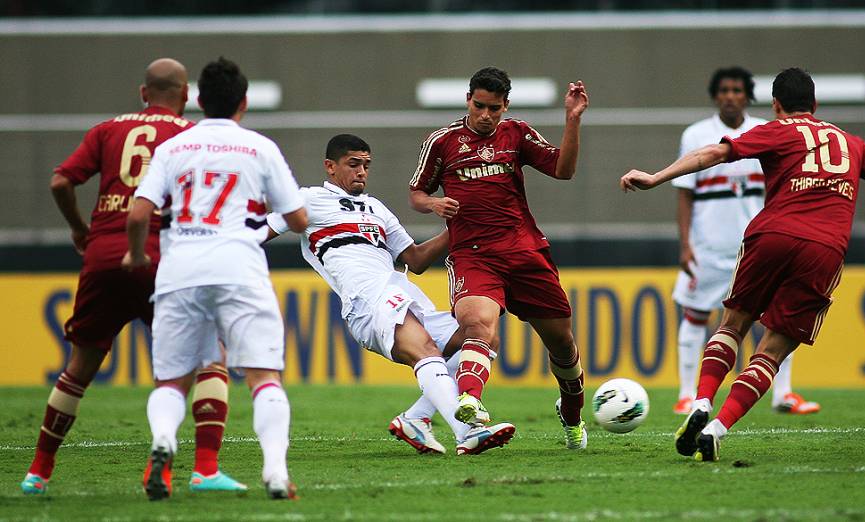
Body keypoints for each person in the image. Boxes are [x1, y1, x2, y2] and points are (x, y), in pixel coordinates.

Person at [620, 67, 865, 462]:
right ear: (816, 105)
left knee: (732, 325)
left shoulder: (779, 130)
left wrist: (657, 177)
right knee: (771, 353)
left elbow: (715, 153)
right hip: (824, 249)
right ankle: (718, 429)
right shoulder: (850, 142)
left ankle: (702, 402)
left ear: (776, 106)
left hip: (771, 235)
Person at [21, 58, 243, 496]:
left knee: (78, 369)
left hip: (103, 256)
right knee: (207, 358)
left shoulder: (106, 130)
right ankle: (203, 468)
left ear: (144, 94)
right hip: (164, 257)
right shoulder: (189, 137)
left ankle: (38, 473)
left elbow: (60, 182)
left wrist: (80, 229)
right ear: (186, 97)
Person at [122, 57, 309, 499]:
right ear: (244, 102)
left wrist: (134, 255)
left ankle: (165, 440)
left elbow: (139, 212)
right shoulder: (260, 148)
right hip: (238, 268)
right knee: (265, 378)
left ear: (199, 101)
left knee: (171, 382)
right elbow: (298, 218)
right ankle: (276, 472)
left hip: (179, 270)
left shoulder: (173, 148)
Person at [266, 134, 515, 456]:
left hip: (400, 293)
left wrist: (458, 227)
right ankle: (468, 432)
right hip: (366, 301)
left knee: (481, 338)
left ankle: (415, 418)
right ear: (330, 167)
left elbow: (416, 259)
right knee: (426, 351)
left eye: (366, 166)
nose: (361, 172)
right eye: (353, 164)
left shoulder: (376, 208)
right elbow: (261, 231)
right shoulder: (309, 200)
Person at [409, 67, 590, 449]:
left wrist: (572, 120)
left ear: (505, 105)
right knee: (478, 325)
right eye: (479, 106)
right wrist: (434, 204)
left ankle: (572, 415)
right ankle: (470, 400)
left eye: (494, 108)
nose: (486, 115)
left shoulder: (518, 133)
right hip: (473, 256)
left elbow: (564, 170)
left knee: (563, 346)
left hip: (525, 253)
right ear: (468, 100)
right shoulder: (442, 142)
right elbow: (417, 194)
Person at [670, 66, 819, 416]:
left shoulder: (766, 131)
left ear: (749, 95)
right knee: (696, 314)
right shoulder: (696, 135)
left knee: (776, 317)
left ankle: (783, 393)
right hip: (709, 242)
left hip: (758, 243)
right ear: (714, 95)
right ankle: (686, 393)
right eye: (723, 90)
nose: (730, 96)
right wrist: (685, 243)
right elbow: (684, 194)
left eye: (737, 90)